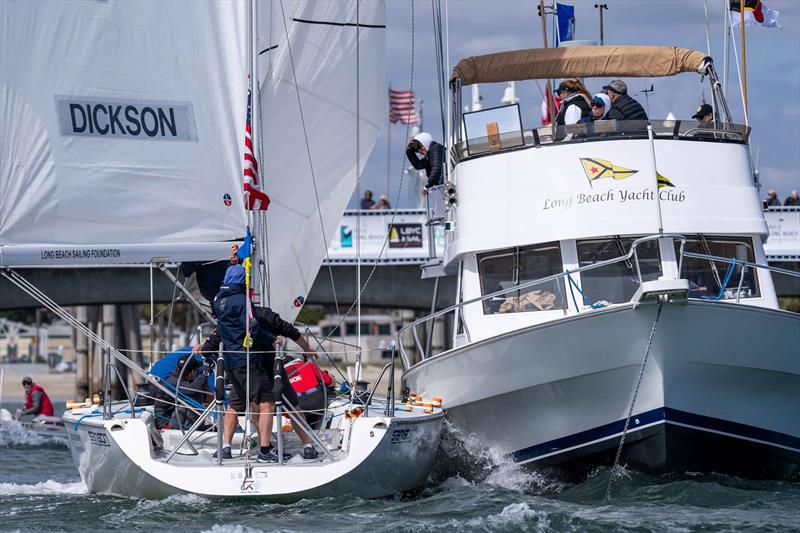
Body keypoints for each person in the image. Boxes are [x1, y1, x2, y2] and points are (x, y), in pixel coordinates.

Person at [196, 266, 319, 461]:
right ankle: (302, 446)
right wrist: (306, 349)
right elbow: (291, 331)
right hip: (263, 367)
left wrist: (204, 348)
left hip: (240, 365)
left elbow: (219, 334)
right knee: (284, 405)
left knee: (239, 406)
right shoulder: (263, 314)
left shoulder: (225, 306)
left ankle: (227, 448)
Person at [150, 353, 210, 430]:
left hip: (174, 417)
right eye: (195, 370)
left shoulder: (178, 379)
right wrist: (205, 374)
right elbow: (193, 389)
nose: (196, 373)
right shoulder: (174, 382)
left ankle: (196, 428)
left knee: (193, 397)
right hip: (167, 425)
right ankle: (193, 429)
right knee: (192, 398)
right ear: (192, 372)